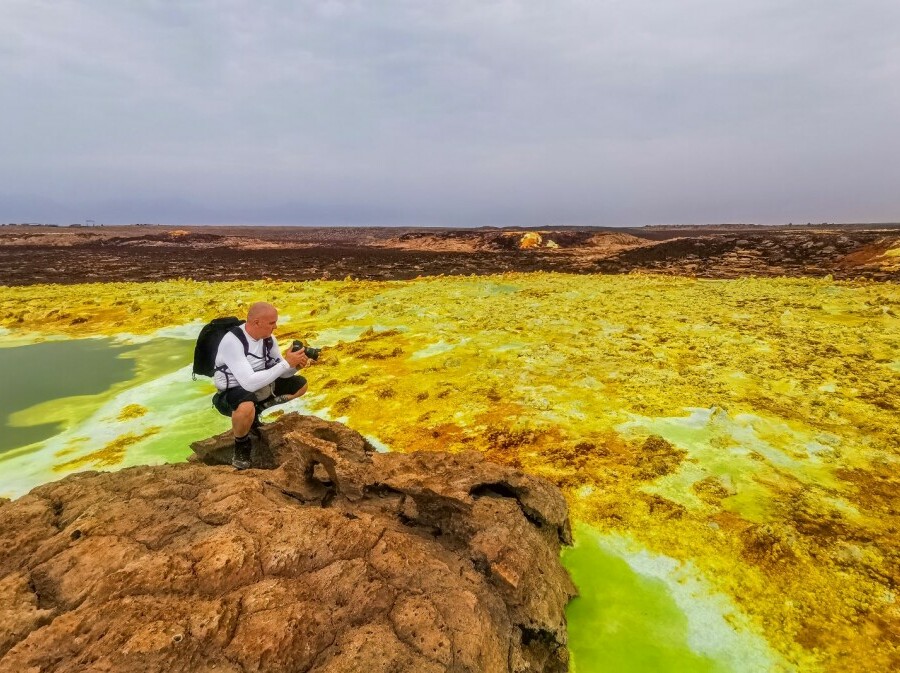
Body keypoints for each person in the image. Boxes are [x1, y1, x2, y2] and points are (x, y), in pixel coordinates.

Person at [212, 301, 311, 469]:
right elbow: (248, 383)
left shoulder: (268, 339)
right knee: (245, 405)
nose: (276, 327)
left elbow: (282, 371)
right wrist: (286, 363)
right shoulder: (233, 342)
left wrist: (294, 366)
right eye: (272, 323)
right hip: (231, 393)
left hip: (260, 386)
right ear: (257, 322)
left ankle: (257, 411)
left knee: (300, 385)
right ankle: (241, 447)